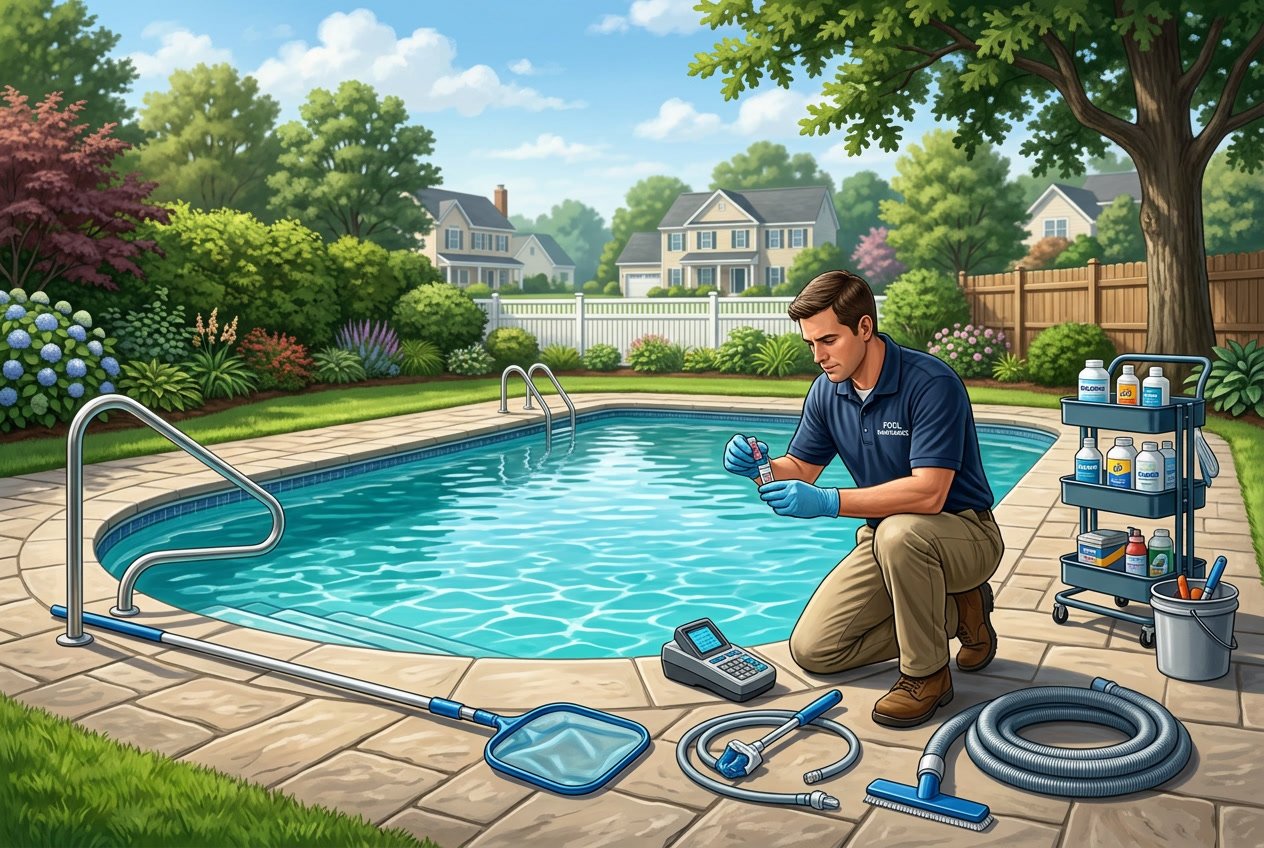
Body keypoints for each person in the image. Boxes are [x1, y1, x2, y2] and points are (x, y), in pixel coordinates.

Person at [723, 270, 1004, 728]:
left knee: (900, 531)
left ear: (865, 327)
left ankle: (927, 676)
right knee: (816, 650)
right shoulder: (828, 391)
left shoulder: (931, 382)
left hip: (965, 534)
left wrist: (829, 502)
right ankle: (961, 610)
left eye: (828, 340)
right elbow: (801, 468)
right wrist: (759, 465)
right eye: (810, 344)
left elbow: (930, 493)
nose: (818, 356)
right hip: (886, 540)